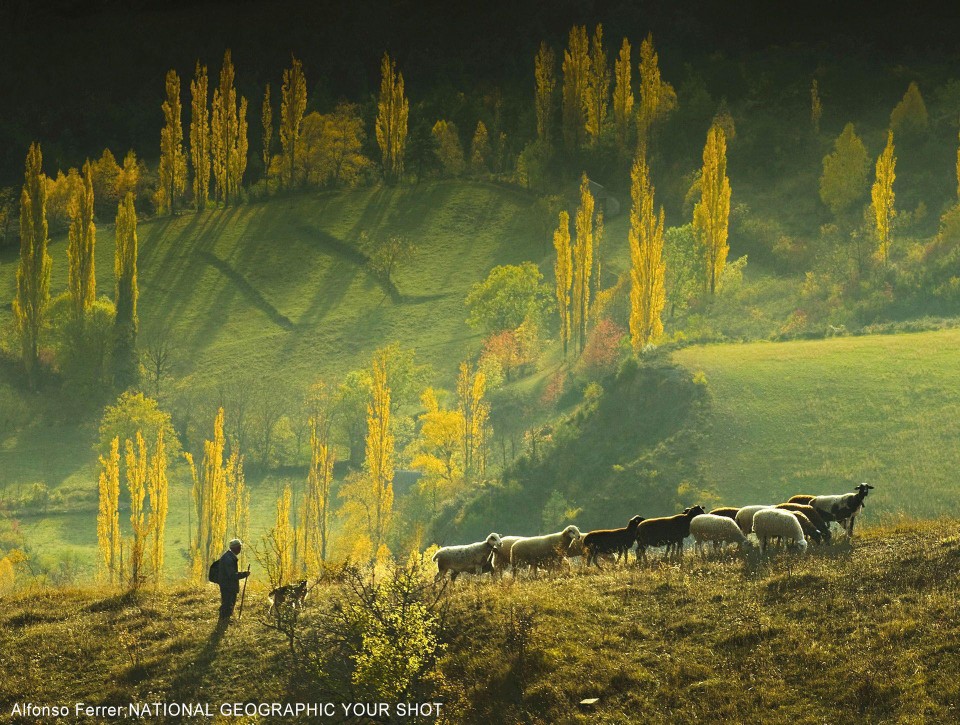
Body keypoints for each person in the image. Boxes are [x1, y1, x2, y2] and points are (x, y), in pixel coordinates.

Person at [217, 538, 250, 621]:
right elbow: (231, 575)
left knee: (228, 603)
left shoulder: (229, 556)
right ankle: (224, 621)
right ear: (234, 548)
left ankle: (225, 621)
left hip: (227, 585)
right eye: (239, 547)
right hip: (228, 586)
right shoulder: (228, 558)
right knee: (228, 604)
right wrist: (244, 574)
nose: (240, 549)